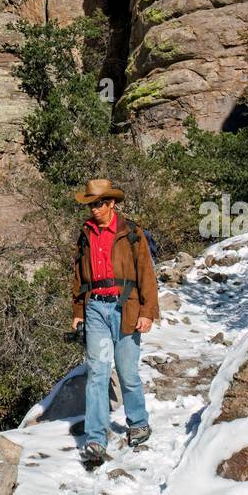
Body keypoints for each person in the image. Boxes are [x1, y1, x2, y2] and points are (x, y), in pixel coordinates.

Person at [71, 179, 160, 466]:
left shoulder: (131, 232)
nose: (94, 209)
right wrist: (78, 310)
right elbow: (79, 275)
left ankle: (138, 422)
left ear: (111, 203)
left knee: (126, 371)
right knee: (97, 372)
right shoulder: (86, 233)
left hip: (127, 308)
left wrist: (148, 312)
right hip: (95, 307)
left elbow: (146, 273)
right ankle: (96, 438)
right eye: (91, 204)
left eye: (99, 203)